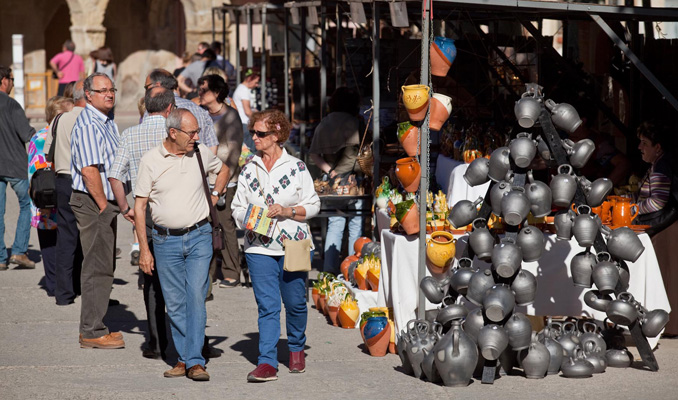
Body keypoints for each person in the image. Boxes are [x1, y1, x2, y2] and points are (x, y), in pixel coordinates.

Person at [134, 108, 229, 381]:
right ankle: (185, 357)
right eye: (192, 132)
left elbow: (223, 169)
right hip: (164, 241)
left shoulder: (199, 152)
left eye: (197, 131)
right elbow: (139, 207)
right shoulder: (151, 160)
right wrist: (144, 249)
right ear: (173, 132)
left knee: (196, 297)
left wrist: (214, 194)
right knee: (175, 303)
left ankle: (194, 361)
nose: (197, 136)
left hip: (199, 236)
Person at [232, 109, 320, 382]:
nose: (254, 137)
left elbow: (314, 204)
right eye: (253, 132)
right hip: (258, 246)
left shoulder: (297, 167)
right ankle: (267, 361)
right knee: (267, 306)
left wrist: (288, 211)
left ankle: (296, 348)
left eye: (261, 133)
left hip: (293, 244)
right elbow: (236, 207)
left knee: (295, 303)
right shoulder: (248, 169)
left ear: (278, 135)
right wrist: (249, 219)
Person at [109, 87, 175, 360]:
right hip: (177, 209)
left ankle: (156, 342)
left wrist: (125, 208)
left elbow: (115, 175)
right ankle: (194, 341)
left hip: (143, 210)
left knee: (151, 275)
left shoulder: (130, 134)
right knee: (183, 276)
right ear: (169, 108)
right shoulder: (175, 133)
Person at [69, 72, 123, 349]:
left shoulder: (106, 120)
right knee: (97, 267)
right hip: (93, 202)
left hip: (102, 201)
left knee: (104, 264)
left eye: (111, 89)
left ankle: (97, 324)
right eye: (102, 91)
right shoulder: (90, 124)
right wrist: (104, 207)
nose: (109, 94)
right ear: (88, 95)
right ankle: (91, 331)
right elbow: (90, 170)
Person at [309, 87, 364, 274]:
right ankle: (352, 271)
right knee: (356, 223)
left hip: (332, 180)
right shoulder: (355, 123)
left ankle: (329, 272)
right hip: (354, 180)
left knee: (335, 224)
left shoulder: (324, 123)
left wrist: (330, 171)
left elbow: (314, 154)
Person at [197, 75, 243, 288]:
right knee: (204, 228)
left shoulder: (230, 116)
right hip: (201, 180)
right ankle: (206, 274)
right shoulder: (200, 114)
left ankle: (232, 271)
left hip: (225, 180)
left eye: (203, 89)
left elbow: (232, 154)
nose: (199, 92)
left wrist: (220, 185)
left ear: (216, 93)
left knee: (225, 225)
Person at [633, 122, 678, 336]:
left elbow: (658, 202)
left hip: (665, 230)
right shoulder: (659, 163)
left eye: (645, 143)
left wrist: (632, 209)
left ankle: (669, 326)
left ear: (657, 147)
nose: (640, 147)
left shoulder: (661, 165)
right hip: (666, 228)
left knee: (667, 277)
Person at [44, 80, 85, 305]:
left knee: (66, 237)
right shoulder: (92, 118)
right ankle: (89, 291)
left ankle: (64, 293)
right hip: (85, 181)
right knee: (90, 239)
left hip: (63, 179)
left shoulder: (58, 119)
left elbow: (47, 154)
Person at [27, 96, 74, 295]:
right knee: (54, 242)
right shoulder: (44, 138)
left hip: (44, 198)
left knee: (50, 241)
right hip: (49, 198)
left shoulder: (37, 137)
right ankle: (57, 284)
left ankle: (56, 284)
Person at [0, 65, 36, 271]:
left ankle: (0, 258)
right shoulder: (12, 105)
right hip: (15, 165)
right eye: (12, 79)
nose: (12, 84)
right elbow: (27, 135)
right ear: (4, 80)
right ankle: (19, 252)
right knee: (26, 205)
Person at [143, 68, 219, 154]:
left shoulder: (153, 110)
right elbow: (212, 146)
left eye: (147, 87)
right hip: (199, 164)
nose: (146, 91)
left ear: (157, 85)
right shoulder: (200, 110)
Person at [232, 71, 260, 151]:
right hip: (244, 124)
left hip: (243, 123)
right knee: (250, 149)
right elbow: (247, 111)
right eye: (256, 82)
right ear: (249, 79)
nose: (257, 85)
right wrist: (259, 119)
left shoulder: (242, 89)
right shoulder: (243, 91)